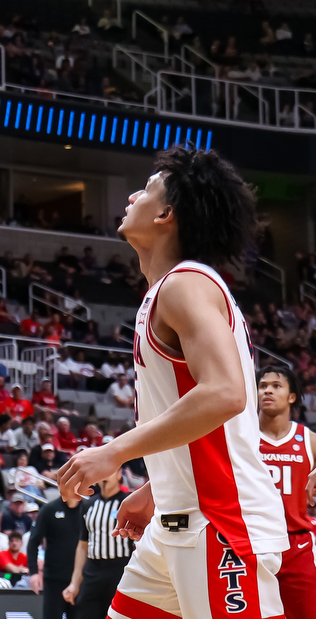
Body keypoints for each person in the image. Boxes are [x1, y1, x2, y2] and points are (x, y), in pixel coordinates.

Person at [57, 147, 289, 619]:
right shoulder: (170, 289)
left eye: (145, 189)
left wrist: (114, 452)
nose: (131, 194)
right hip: (175, 521)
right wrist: (159, 487)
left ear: (166, 214)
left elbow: (224, 393)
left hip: (220, 520)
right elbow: (194, 413)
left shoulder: (185, 285)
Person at [257, 366, 316, 619]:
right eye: (262, 386)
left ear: (292, 397)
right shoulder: (241, 437)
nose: (267, 390)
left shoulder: (308, 439)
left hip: (297, 544)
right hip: (252, 544)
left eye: (276, 386)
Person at [64, 469, 134, 619]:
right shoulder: (88, 505)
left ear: (119, 474)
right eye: (102, 472)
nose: (105, 476)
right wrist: (74, 583)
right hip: (92, 570)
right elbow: (82, 545)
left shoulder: (128, 502)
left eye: (110, 471)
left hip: (119, 569)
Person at [27, 492, 83, 619]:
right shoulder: (49, 510)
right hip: (54, 580)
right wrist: (34, 572)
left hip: (80, 580)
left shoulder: (86, 510)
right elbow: (33, 542)